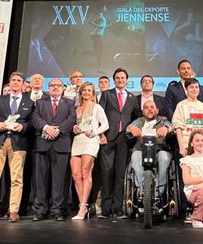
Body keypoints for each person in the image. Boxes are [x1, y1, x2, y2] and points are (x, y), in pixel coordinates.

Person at [0, 71, 35, 223]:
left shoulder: (29, 102)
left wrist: (22, 126)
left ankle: (14, 211)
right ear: (10, 83)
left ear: (23, 84)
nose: (16, 83)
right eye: (13, 80)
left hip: (18, 143)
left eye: (19, 80)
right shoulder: (0, 100)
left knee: (17, 179)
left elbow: (31, 122)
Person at [30, 78, 75, 221]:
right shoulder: (40, 102)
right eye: (52, 85)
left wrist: (58, 130)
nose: (55, 88)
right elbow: (35, 118)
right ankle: (40, 210)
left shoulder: (69, 103)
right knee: (41, 179)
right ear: (48, 88)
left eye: (58, 86)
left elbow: (72, 119)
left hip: (61, 144)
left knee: (59, 180)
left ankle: (57, 210)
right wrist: (46, 128)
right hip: (43, 144)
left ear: (63, 88)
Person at [98, 68, 139, 218]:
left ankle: (118, 208)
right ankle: (106, 209)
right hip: (107, 138)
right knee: (107, 172)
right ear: (114, 80)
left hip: (124, 140)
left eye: (122, 78)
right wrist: (100, 133)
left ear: (127, 80)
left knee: (120, 174)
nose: (120, 80)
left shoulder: (132, 98)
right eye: (117, 78)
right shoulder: (106, 94)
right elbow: (99, 114)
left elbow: (137, 116)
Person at [70, 82, 108, 220]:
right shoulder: (76, 107)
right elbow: (75, 124)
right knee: (75, 174)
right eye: (84, 90)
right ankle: (83, 206)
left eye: (89, 90)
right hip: (77, 140)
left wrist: (95, 132)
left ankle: (82, 206)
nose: (86, 92)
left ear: (93, 93)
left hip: (90, 141)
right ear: (80, 93)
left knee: (86, 173)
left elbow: (105, 124)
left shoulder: (97, 107)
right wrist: (74, 128)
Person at [127, 100, 173, 200]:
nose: (149, 110)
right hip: (141, 150)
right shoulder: (138, 121)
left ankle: (160, 190)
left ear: (157, 110)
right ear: (143, 111)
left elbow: (171, 126)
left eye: (152, 107)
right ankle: (141, 189)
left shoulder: (163, 120)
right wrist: (132, 129)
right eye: (146, 108)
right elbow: (129, 127)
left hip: (159, 150)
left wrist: (166, 129)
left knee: (163, 157)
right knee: (135, 156)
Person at [172, 77, 203, 157]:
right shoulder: (181, 105)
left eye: (196, 87)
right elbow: (178, 128)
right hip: (188, 146)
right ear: (186, 89)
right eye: (191, 87)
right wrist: (182, 147)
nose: (194, 89)